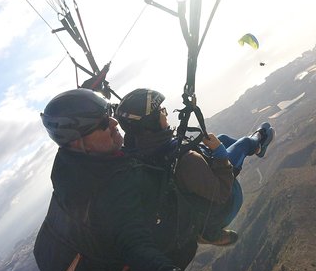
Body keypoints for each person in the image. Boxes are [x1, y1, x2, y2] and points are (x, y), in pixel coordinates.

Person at [33, 88, 216, 271]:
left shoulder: (71, 158)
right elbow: (136, 248)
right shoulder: (108, 193)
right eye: (102, 124)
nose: (113, 123)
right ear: (79, 142)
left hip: (62, 243)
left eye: (109, 114)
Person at [115, 88, 275, 246]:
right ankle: (259, 141)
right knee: (244, 144)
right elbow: (221, 192)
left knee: (223, 138)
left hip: (192, 199)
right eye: (161, 111)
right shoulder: (186, 160)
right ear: (151, 123)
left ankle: (256, 147)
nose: (165, 113)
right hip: (225, 204)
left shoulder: (139, 150)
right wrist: (220, 153)